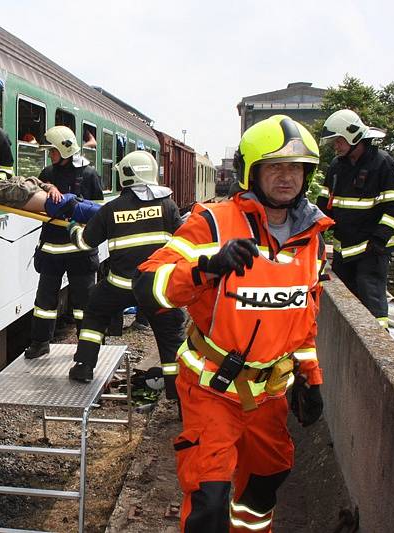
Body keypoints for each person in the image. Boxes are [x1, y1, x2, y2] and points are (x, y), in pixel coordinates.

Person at [133, 115, 330, 532]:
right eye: (274, 166)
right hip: (212, 389)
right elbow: (148, 285)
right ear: (250, 171)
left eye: (295, 168)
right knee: (209, 498)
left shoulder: (313, 237)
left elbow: (304, 313)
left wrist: (311, 376)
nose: (286, 177)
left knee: (264, 487)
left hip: (271, 394)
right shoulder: (212, 223)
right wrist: (206, 268)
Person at [66, 151, 184, 386]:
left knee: (95, 313)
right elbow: (184, 243)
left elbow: (85, 243)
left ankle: (84, 367)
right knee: (170, 337)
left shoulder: (111, 209)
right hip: (156, 288)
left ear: (127, 175)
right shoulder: (168, 206)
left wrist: (72, 228)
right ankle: (179, 394)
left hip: (120, 286)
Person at [25, 126, 104, 360]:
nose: (50, 155)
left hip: (80, 250)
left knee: (84, 304)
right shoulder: (47, 172)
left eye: (53, 150)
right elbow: (32, 191)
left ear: (64, 149)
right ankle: (40, 343)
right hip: (51, 249)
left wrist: (73, 205)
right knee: (44, 302)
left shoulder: (89, 174)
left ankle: (87, 348)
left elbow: (98, 212)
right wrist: (47, 187)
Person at [316, 109, 394, 328]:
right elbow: (325, 203)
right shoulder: (337, 166)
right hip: (346, 250)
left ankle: (377, 348)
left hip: (373, 249)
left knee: (372, 301)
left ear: (353, 136)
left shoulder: (384, 164)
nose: (336, 146)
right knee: (347, 303)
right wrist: (314, 232)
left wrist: (379, 240)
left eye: (339, 140)